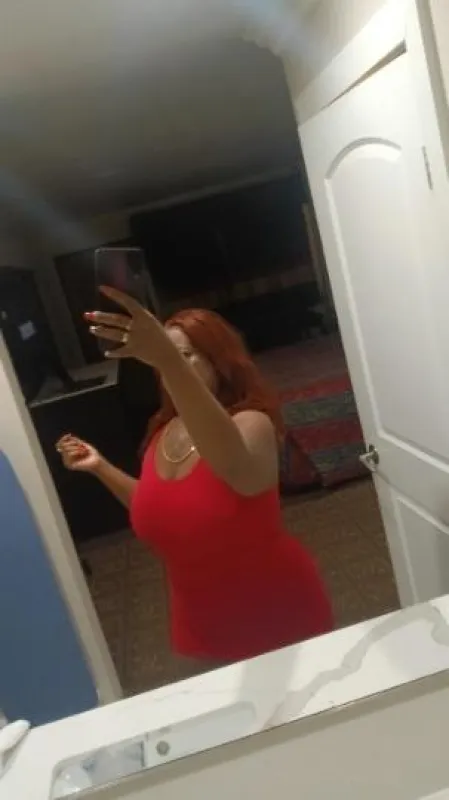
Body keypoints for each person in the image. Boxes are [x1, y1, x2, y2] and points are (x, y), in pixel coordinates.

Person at [57, 286, 333, 668]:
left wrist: (167, 359)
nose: (171, 366)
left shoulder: (251, 423)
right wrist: (99, 466)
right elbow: (162, 509)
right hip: (200, 619)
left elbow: (236, 467)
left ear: (220, 363)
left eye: (185, 356)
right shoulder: (162, 433)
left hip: (275, 611)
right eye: (165, 359)